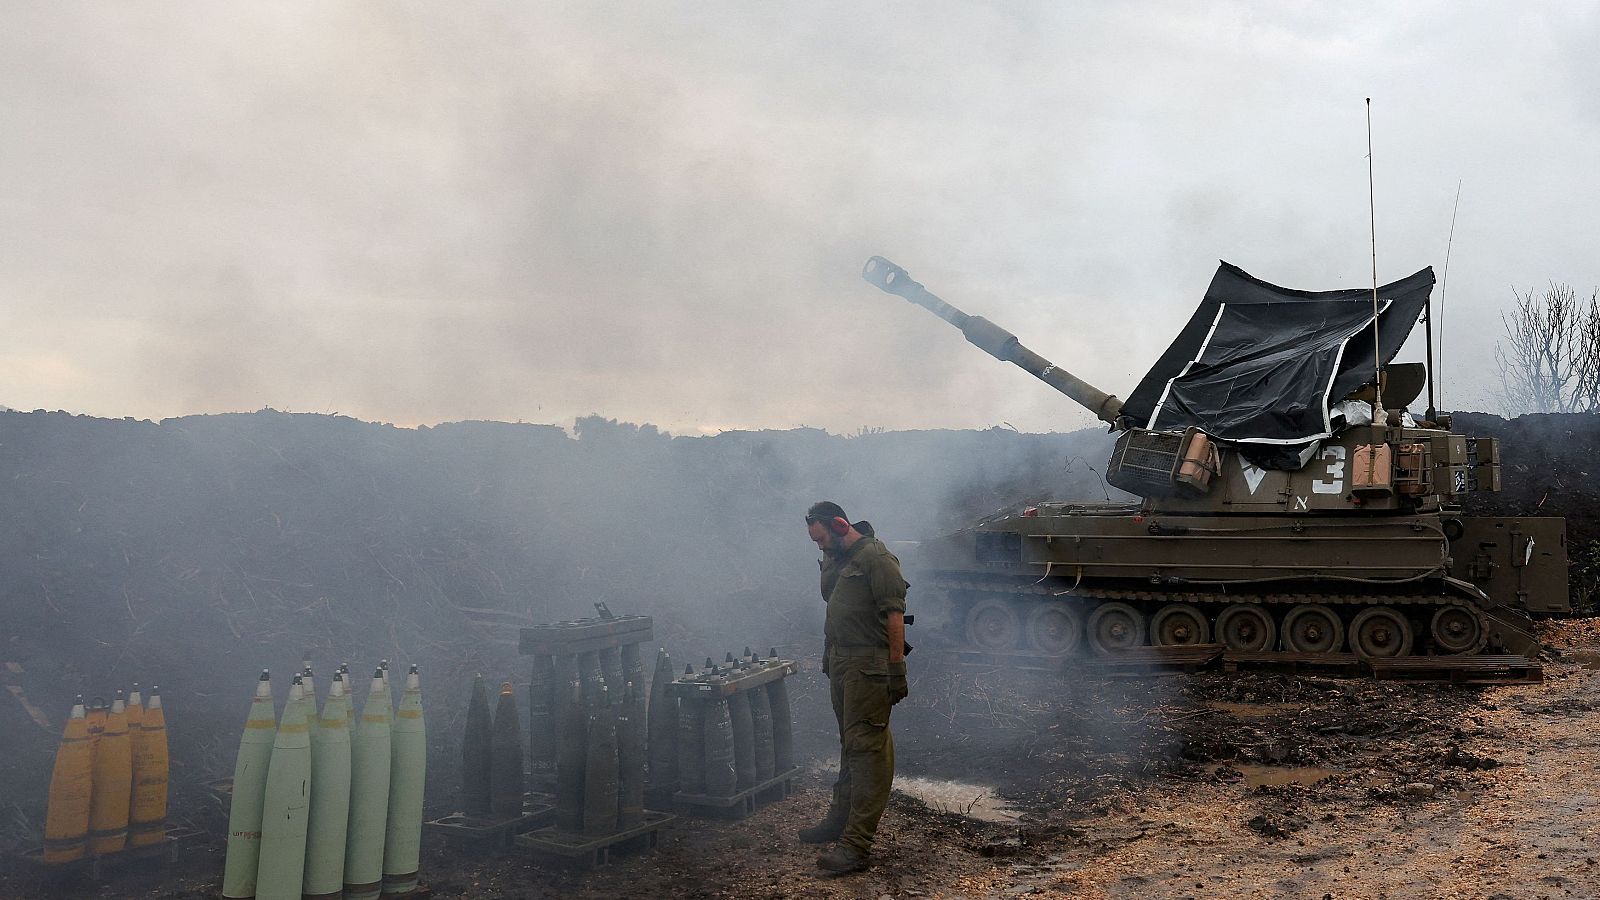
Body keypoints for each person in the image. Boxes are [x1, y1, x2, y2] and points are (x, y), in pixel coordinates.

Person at [799, 500, 909, 874]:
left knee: (868, 752)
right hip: (843, 665)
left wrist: (896, 670)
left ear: (841, 525)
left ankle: (857, 843)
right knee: (850, 744)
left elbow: (894, 617)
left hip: (869, 668)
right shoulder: (839, 557)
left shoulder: (878, 560)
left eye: (822, 539)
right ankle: (839, 818)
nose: (820, 547)